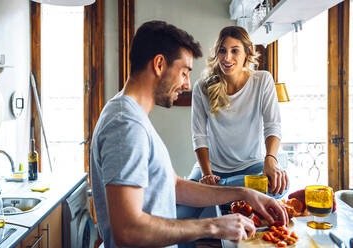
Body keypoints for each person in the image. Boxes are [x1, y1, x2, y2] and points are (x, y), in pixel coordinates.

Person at [90, 21, 288, 248]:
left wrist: (244, 193)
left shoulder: (131, 116)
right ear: (159, 64)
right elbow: (127, 230)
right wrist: (213, 226)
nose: (186, 84)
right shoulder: (125, 125)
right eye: (184, 72)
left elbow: (175, 186)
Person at [177, 26, 289, 221]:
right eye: (222, 50)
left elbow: (273, 125)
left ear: (247, 53)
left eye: (234, 50)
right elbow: (199, 135)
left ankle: (223, 191)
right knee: (179, 217)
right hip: (211, 169)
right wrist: (207, 175)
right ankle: (229, 190)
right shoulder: (202, 87)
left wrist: (270, 160)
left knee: (279, 188)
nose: (227, 58)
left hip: (252, 167)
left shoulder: (263, 80)